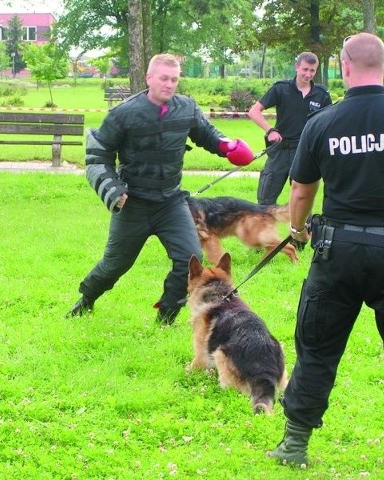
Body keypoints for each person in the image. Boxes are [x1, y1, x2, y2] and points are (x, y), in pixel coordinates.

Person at [269, 32, 384, 474]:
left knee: (318, 350)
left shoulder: (323, 122)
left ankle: (294, 445)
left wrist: (297, 230)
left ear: (342, 67)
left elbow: (302, 188)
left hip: (336, 252)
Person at [66, 53, 255, 325]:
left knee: (188, 260)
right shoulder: (124, 114)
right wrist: (113, 190)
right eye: (164, 78)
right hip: (133, 204)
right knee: (115, 265)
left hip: (171, 203)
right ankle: (86, 300)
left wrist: (228, 147)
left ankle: (165, 318)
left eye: (174, 79)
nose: (169, 84)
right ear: (149, 78)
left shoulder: (186, 108)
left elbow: (207, 134)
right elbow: (97, 155)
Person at [247, 52, 332, 206]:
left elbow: (329, 124)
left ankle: (300, 231)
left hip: (305, 152)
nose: (308, 74)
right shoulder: (281, 89)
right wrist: (270, 130)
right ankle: (265, 231)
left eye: (312, 70)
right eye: (305, 69)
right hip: (280, 150)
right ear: (296, 67)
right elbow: (254, 111)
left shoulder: (322, 95)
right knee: (265, 201)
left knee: (303, 201)